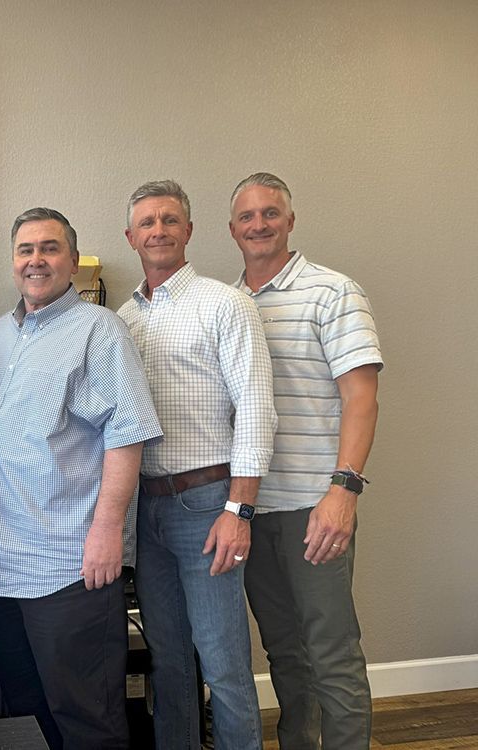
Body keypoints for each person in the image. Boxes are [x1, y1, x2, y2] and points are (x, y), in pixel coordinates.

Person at [0, 208, 163, 749]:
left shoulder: (99, 330)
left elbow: (127, 434)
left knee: (85, 716)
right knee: (26, 713)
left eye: (49, 248)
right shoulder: (1, 334)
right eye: (25, 250)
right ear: (13, 262)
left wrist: (108, 531)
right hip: (1, 566)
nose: (36, 260)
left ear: (73, 261)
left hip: (68, 565)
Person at [118, 180, 277, 750]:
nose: (158, 230)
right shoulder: (121, 319)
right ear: (130, 236)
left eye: (169, 220)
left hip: (208, 505)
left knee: (223, 663)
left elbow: (256, 408)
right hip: (147, 509)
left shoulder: (224, 304)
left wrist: (239, 509)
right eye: (147, 222)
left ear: (188, 230)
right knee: (167, 660)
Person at [229, 172, 382, 749]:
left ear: (290, 221)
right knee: (285, 653)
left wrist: (343, 492)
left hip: (314, 507)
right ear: (231, 229)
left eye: (271, 213)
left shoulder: (332, 291)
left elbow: (361, 397)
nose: (259, 224)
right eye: (247, 216)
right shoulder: (228, 303)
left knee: (331, 653)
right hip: (250, 507)